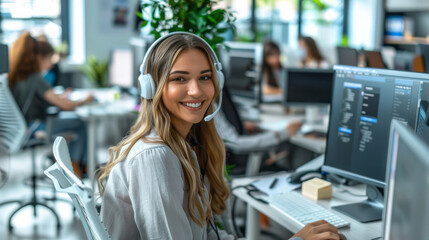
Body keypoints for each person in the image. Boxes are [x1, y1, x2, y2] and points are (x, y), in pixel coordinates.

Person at [97, 32, 341, 240]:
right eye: (179, 79)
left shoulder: (183, 147)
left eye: (205, 77)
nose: (196, 90)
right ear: (151, 87)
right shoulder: (155, 157)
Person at [8, 31, 93, 177]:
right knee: (79, 124)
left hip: (23, 127)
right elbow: (65, 105)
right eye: (48, 58)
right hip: (36, 127)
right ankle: (75, 168)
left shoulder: (18, 76)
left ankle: (73, 164)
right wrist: (86, 99)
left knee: (71, 122)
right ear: (37, 57)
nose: (51, 63)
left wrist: (59, 96)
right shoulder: (35, 79)